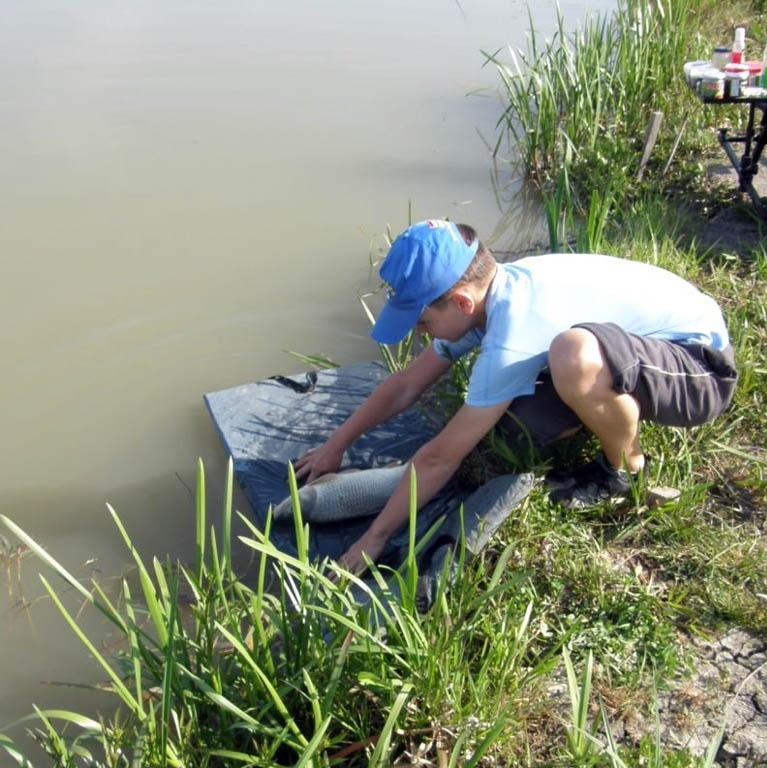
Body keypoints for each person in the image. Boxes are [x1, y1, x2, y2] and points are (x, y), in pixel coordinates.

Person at [293, 219, 736, 574]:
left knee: (572, 355)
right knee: (522, 424)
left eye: (422, 322)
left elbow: (439, 459)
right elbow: (408, 383)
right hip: (629, 347)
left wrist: (374, 537)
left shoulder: (515, 327)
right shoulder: (491, 296)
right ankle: (597, 402)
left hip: (697, 368)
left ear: (462, 303)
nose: (416, 332)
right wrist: (336, 446)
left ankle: (624, 470)